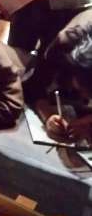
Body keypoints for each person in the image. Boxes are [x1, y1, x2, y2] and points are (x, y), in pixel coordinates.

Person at [28, 9, 92, 142]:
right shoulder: (60, 47)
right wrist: (48, 115)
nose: (86, 98)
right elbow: (33, 85)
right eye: (82, 89)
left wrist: (88, 122)